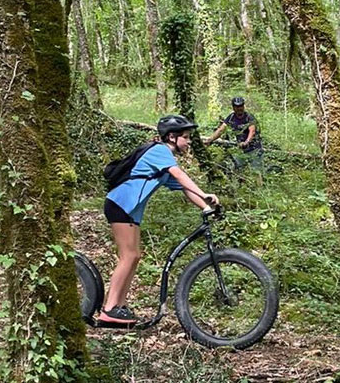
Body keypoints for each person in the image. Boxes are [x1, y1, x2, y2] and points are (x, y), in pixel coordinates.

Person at [99, 115, 220, 324]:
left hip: (130, 210)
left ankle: (119, 306)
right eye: (186, 137)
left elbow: (183, 188)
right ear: (172, 137)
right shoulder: (160, 151)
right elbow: (181, 176)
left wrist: (207, 206)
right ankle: (109, 309)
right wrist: (204, 193)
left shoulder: (164, 163)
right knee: (128, 256)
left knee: (134, 256)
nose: (189, 142)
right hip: (120, 205)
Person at [204, 97, 264, 174]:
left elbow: (252, 131)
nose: (239, 108)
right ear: (233, 107)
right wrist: (210, 140)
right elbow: (221, 130)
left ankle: (259, 185)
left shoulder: (249, 117)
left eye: (241, 106)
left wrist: (246, 142)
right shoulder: (231, 117)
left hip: (255, 149)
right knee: (237, 169)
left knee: (256, 172)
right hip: (241, 150)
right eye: (237, 106)